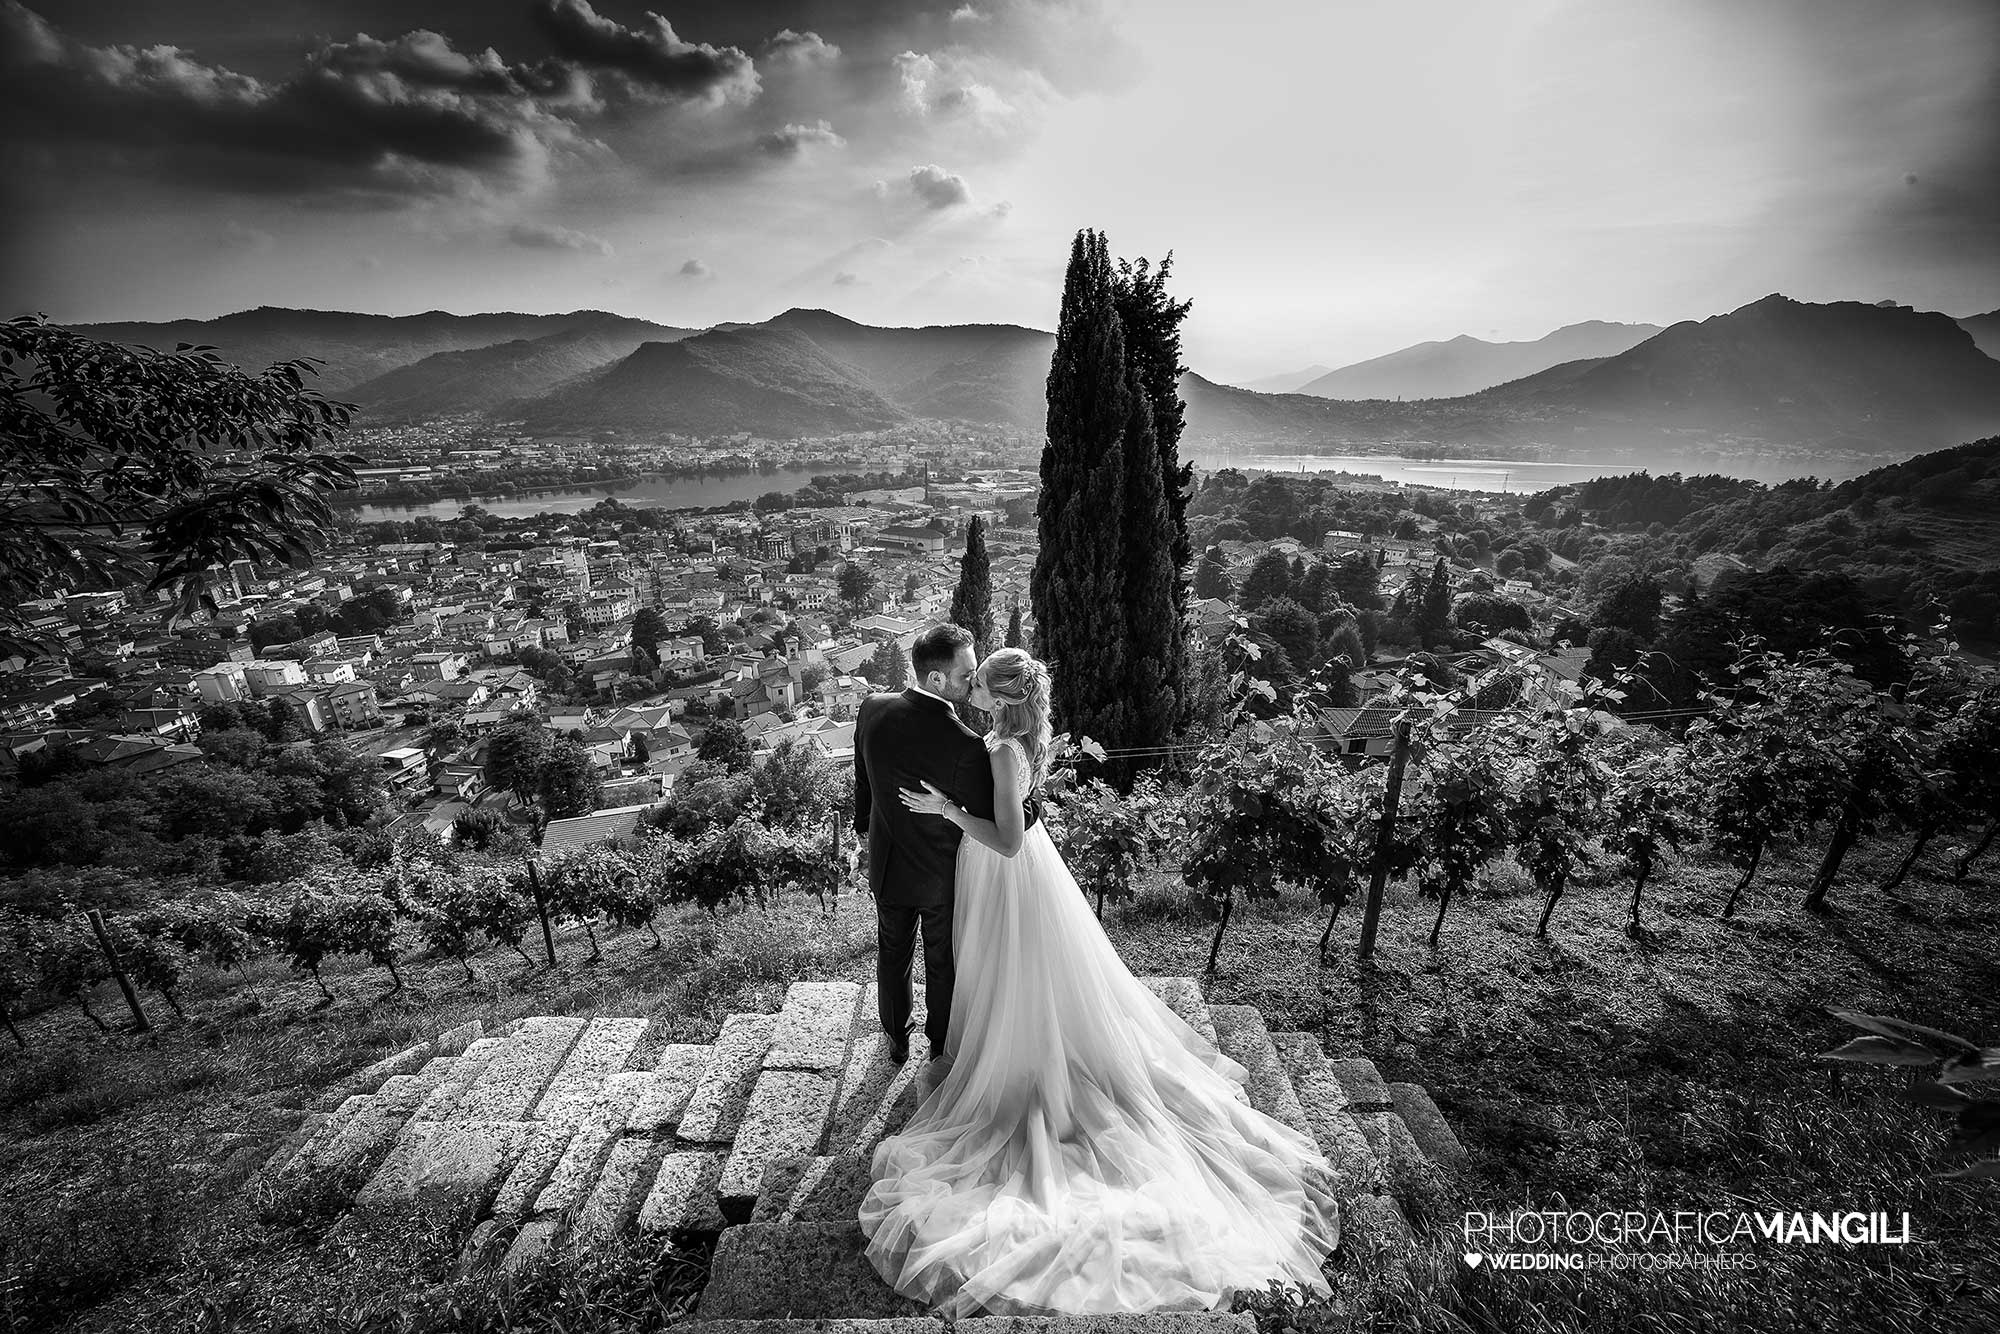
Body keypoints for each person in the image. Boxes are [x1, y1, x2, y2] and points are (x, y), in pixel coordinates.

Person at [858, 647, 1342, 1316]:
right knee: (1020, 978)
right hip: (1027, 874)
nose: (967, 686)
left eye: (978, 681)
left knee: (1011, 974)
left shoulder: (1000, 750)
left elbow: (1003, 840)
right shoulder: (1009, 737)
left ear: (999, 697)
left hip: (1004, 873)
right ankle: (1014, 1053)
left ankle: (1019, 1070)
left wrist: (944, 810)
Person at [853, 623, 992, 1066]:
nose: (973, 681)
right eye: (966, 674)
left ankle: (896, 1036)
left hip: (888, 863)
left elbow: (864, 780)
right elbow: (989, 815)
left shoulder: (872, 709)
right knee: (941, 962)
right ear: (936, 679)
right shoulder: (965, 745)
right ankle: (939, 1041)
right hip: (940, 874)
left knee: (892, 952)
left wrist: (862, 828)